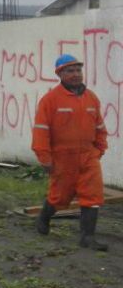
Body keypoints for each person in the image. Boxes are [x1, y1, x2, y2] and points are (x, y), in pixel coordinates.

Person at [31, 54, 109, 250]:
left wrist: (99, 149)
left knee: (92, 195)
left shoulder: (91, 98)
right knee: (60, 196)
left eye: (78, 70)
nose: (76, 74)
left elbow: (99, 127)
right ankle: (44, 217)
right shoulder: (50, 100)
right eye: (70, 71)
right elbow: (41, 131)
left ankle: (87, 237)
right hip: (62, 158)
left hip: (88, 156)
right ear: (60, 74)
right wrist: (45, 158)